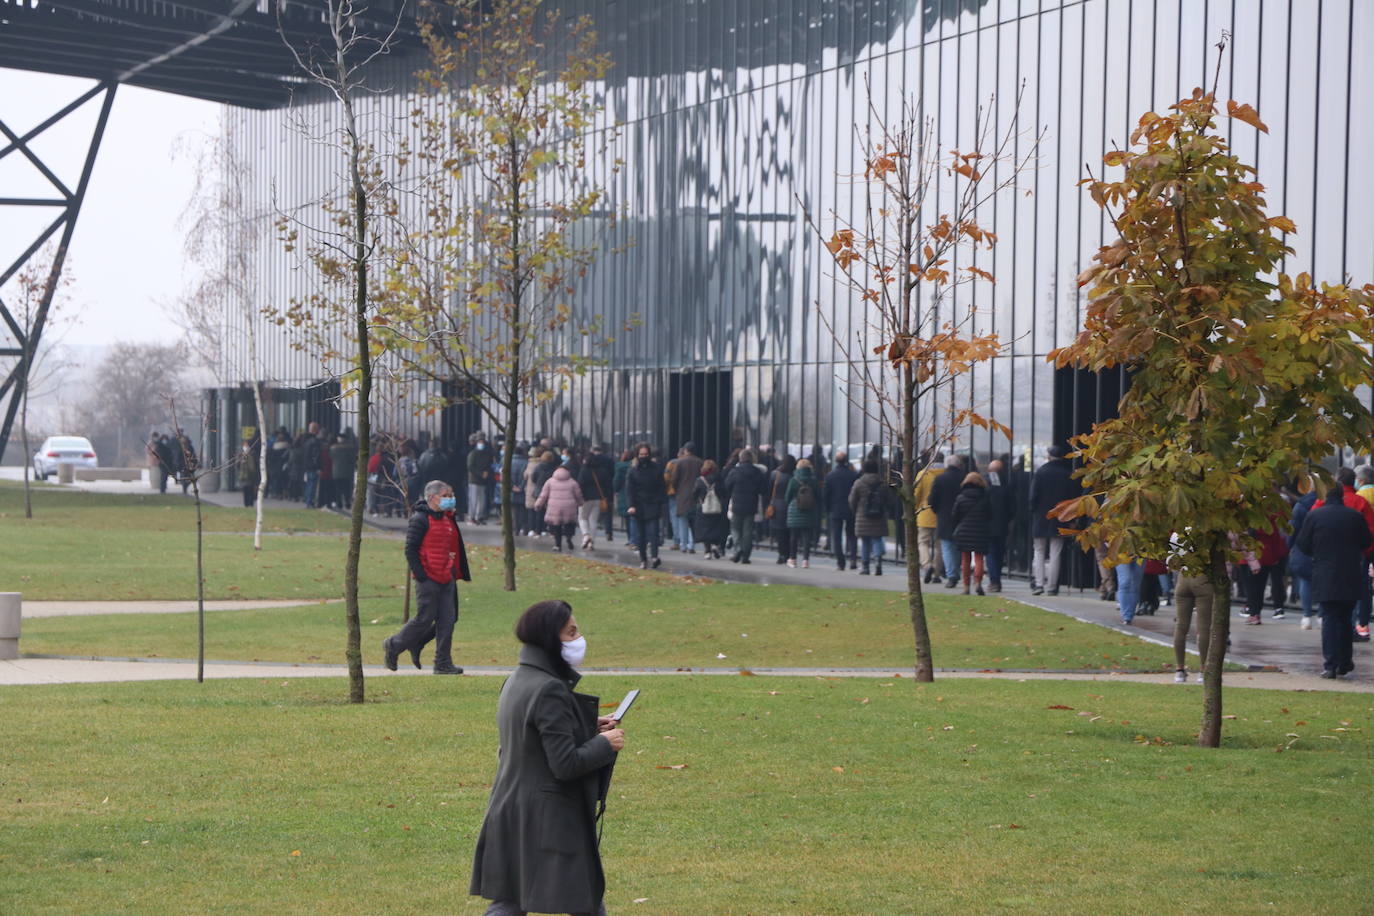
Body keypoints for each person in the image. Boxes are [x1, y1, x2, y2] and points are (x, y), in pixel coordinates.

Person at [469, 600, 624, 916]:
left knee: (511, 900)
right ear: (550, 638)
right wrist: (604, 744)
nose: (579, 639)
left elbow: (527, 742)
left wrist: (585, 727)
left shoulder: (517, 679)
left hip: (512, 807)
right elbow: (565, 764)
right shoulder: (549, 688)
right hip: (547, 818)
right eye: (571, 632)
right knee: (583, 899)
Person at [382, 479, 471, 675]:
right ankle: (394, 645)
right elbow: (411, 550)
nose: (450, 499)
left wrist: (452, 571)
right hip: (428, 579)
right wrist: (421, 575)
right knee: (424, 619)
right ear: (432, 497)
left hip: (446, 578)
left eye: (451, 496)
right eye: (445, 496)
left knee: (447, 621)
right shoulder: (420, 519)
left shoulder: (447, 519)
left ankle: (442, 663)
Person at [1296, 482, 1372, 678]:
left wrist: (1319, 552)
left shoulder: (1315, 516)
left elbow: (1303, 544)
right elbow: (1367, 541)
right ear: (1342, 495)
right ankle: (1345, 661)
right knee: (1346, 618)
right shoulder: (1354, 516)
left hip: (1325, 573)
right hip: (1350, 572)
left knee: (1329, 618)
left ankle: (1330, 664)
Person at [1029, 445, 1081, 596]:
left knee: (1039, 551)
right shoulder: (1068, 474)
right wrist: (1073, 518)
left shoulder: (1041, 472)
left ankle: (1039, 583)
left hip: (1041, 517)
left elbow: (1033, 497)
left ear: (1049, 456)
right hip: (1061, 517)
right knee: (1056, 553)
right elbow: (1074, 499)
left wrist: (1033, 511)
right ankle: (1052, 586)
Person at [1171, 536, 1221, 684]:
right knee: (1204, 628)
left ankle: (1179, 669)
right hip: (1202, 578)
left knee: (1181, 626)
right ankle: (1203, 670)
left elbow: (1172, 558)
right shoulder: (1207, 533)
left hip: (1183, 578)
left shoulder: (1177, 534)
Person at [625, 443, 667, 569]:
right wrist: (631, 505)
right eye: (641, 454)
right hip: (639, 506)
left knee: (653, 533)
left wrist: (661, 502)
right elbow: (630, 490)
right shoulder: (633, 471)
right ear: (637, 455)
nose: (644, 456)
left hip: (653, 504)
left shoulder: (656, 469)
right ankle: (643, 559)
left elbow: (661, 487)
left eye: (646, 454)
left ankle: (654, 556)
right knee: (641, 535)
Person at [927, 454, 966, 588]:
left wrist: (937, 511)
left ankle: (952, 575)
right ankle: (955, 571)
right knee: (958, 547)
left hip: (944, 517)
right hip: (962, 517)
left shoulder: (940, 479)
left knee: (947, 547)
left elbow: (932, 500)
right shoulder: (964, 478)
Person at [850, 459, 893, 576]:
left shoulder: (859, 483)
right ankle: (878, 562)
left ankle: (865, 567)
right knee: (877, 539)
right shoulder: (882, 484)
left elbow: (852, 500)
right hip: (879, 516)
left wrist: (855, 511)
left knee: (865, 541)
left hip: (863, 516)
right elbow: (889, 500)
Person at [951, 471, 991, 595]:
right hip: (980, 531)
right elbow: (990, 515)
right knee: (979, 558)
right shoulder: (985, 498)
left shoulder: (961, 498)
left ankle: (966, 586)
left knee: (965, 559)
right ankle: (978, 583)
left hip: (964, 532)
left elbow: (955, 516)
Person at [724, 449, 766, 564]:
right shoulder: (757, 472)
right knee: (748, 531)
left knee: (735, 528)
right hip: (751, 504)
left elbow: (727, 486)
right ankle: (745, 556)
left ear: (740, 459)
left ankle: (738, 548)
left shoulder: (735, 471)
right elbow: (763, 489)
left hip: (737, 504)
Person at [1287, 484, 1319, 629]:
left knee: (1305, 581)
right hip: (1322, 547)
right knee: (1323, 582)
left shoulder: (1301, 505)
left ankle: (1306, 616)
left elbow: (1292, 529)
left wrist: (1289, 546)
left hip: (1303, 547)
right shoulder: (1326, 503)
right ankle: (1321, 614)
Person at [822, 450, 859, 571]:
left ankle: (840, 562)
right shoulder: (853, 475)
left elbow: (826, 494)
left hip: (835, 508)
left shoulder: (830, 476)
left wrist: (827, 508)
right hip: (850, 508)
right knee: (852, 535)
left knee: (837, 537)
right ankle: (853, 559)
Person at [536, 464, 585, 552]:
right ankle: (569, 538)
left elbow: (543, 495)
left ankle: (558, 544)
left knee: (556, 526)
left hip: (554, 506)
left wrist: (538, 504)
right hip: (569, 506)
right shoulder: (572, 482)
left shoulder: (550, 481)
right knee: (569, 524)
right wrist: (580, 503)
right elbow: (578, 494)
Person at [784, 458, 822, 568]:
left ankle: (792, 559)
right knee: (807, 537)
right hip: (809, 511)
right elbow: (819, 496)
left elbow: (787, 497)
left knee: (794, 536)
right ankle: (805, 560)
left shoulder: (793, 480)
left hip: (795, 510)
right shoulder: (813, 481)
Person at [912, 451, 943, 583]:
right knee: (939, 546)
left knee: (922, 542)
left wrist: (915, 508)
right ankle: (936, 573)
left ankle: (926, 564)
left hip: (924, 514)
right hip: (941, 516)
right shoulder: (945, 474)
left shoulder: (923, 474)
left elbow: (916, 494)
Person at [577, 444, 614, 550]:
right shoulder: (603, 471)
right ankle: (591, 543)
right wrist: (609, 498)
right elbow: (608, 485)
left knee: (582, 518)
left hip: (585, 498)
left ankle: (586, 535)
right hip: (598, 497)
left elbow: (580, 484)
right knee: (593, 521)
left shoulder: (584, 471)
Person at [668, 443, 703, 553]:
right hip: (696, 495)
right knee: (693, 522)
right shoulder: (700, 462)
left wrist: (677, 489)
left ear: (686, 450)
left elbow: (674, 479)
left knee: (683, 521)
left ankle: (683, 544)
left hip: (682, 495)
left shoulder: (680, 462)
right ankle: (692, 545)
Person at [692, 459, 730, 559]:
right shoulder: (719, 480)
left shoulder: (700, 480)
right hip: (717, 507)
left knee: (705, 530)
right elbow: (724, 493)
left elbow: (694, 493)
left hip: (703, 508)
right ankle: (715, 545)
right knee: (716, 528)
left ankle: (707, 551)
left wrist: (697, 500)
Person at [984, 459, 1011, 593]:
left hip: (989, 525)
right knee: (999, 553)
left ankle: (994, 580)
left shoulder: (987, 487)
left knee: (991, 553)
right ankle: (996, 579)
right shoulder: (1006, 487)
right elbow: (1012, 507)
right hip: (1002, 525)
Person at [766, 455, 795, 565]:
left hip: (777, 505)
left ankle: (782, 554)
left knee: (780, 532)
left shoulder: (775, 474)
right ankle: (789, 554)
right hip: (790, 505)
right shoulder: (793, 475)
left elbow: (769, 490)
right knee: (790, 532)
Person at [467, 433, 492, 524]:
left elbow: (488, 464)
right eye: (480, 441)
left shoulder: (486, 454)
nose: (481, 443)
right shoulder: (473, 453)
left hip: (482, 480)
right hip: (474, 480)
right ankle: (472, 516)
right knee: (473, 499)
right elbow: (470, 466)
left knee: (481, 500)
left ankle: (479, 516)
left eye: (482, 441)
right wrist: (481, 474)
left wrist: (486, 472)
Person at [329, 434, 356, 509]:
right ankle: (347, 503)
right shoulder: (350, 448)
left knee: (338, 489)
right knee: (347, 489)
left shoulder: (333, 448)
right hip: (347, 472)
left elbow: (330, 457)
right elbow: (353, 459)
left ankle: (339, 503)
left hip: (336, 472)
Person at [239, 438, 259, 508]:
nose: (245, 447)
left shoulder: (253, 454)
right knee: (245, 490)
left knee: (250, 490)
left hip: (250, 476)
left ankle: (250, 504)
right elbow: (238, 466)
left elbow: (254, 467)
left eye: (246, 445)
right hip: (244, 476)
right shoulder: (242, 455)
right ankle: (246, 504)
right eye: (244, 445)